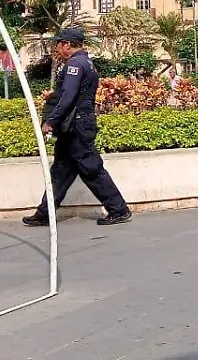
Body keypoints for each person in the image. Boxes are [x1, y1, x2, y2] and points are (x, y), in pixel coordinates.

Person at [23, 28, 132, 228]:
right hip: (74, 124)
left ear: (67, 44)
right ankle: (44, 213)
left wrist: (51, 121)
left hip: (76, 126)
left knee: (91, 168)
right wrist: (53, 99)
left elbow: (69, 96)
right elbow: (72, 94)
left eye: (58, 44)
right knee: (61, 171)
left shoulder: (75, 64)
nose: (56, 48)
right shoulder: (86, 63)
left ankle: (119, 209)